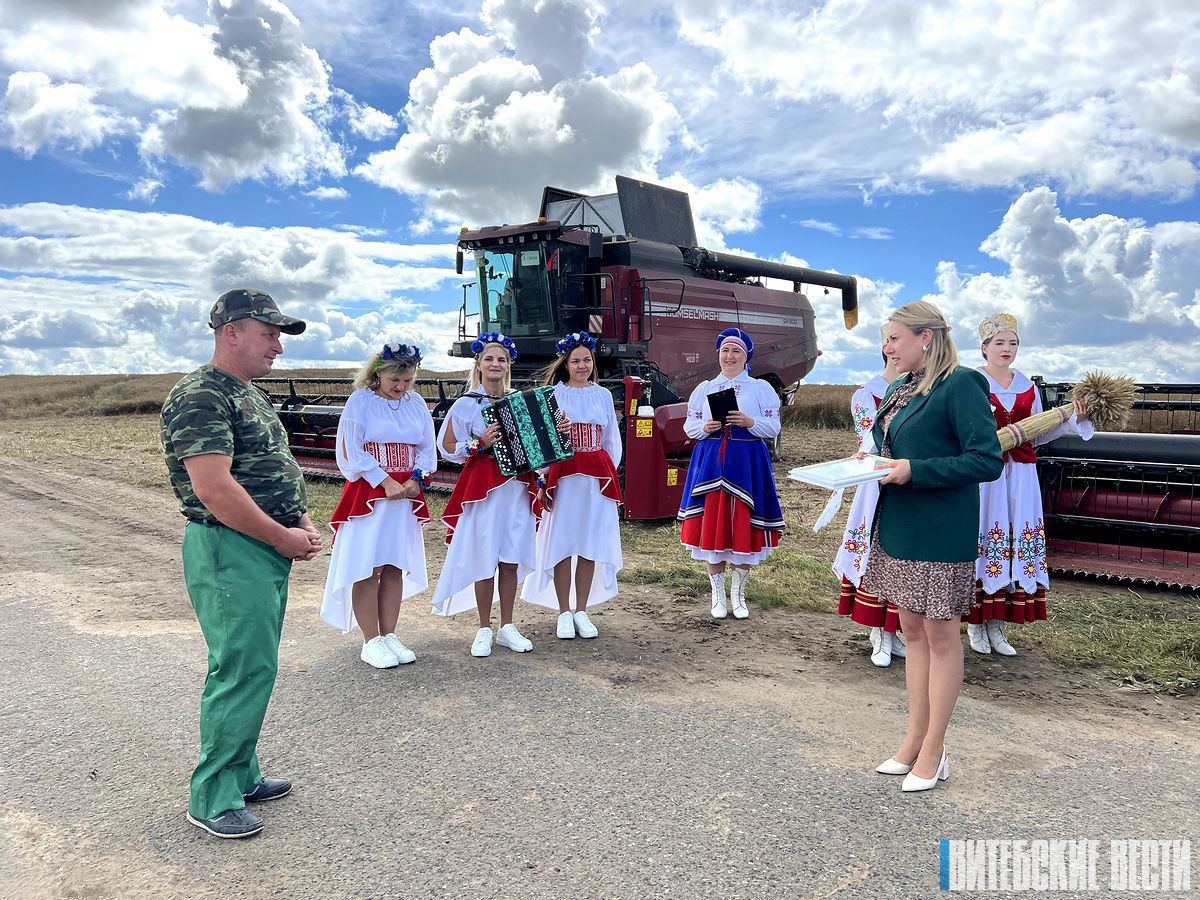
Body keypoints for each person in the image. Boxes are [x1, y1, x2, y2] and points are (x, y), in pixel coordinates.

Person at [160, 288, 322, 839]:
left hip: (259, 546)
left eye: (280, 335)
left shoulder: (246, 393)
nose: (278, 345)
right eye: (270, 332)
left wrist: (298, 518)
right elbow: (214, 489)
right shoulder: (201, 395)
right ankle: (212, 795)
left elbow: (267, 466)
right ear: (231, 330)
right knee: (240, 668)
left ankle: (242, 772)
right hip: (230, 547)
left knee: (256, 664)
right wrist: (279, 536)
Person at [861, 301, 1003, 793]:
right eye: (886, 340)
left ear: (926, 338)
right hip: (901, 526)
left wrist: (913, 470)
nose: (887, 348)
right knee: (912, 634)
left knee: (941, 639)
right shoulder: (903, 387)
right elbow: (895, 445)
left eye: (894, 338)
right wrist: (873, 460)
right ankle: (913, 739)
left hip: (941, 531)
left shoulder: (961, 383)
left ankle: (935, 749)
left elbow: (985, 461)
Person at [967, 313, 1092, 656]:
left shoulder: (1026, 386)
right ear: (984, 348)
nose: (1006, 349)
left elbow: (1039, 433)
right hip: (985, 475)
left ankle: (998, 627)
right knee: (988, 536)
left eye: (1013, 343)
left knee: (1013, 538)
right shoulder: (971, 382)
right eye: (999, 343)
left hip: (1021, 475)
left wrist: (1071, 418)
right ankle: (977, 624)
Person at [319, 342, 436, 668]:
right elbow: (352, 451)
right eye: (394, 380)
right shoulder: (361, 402)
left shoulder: (417, 405)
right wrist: (385, 481)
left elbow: (427, 448)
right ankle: (370, 640)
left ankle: (389, 634)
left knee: (394, 565)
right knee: (368, 568)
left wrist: (417, 479)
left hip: (405, 496)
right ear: (378, 374)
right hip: (371, 495)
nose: (401, 387)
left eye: (408, 380)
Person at [431, 332, 542, 656]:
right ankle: (483, 627)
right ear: (479, 364)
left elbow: (535, 446)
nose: (495, 364)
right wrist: (480, 444)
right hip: (483, 490)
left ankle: (507, 625)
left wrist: (552, 433)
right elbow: (447, 447)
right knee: (484, 556)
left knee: (509, 558)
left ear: (508, 366)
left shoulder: (519, 400)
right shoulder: (466, 404)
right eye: (490, 359)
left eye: (502, 359)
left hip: (516, 489)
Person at [678, 327, 784, 619]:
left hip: (747, 459)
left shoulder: (760, 388)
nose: (729, 356)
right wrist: (706, 427)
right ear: (718, 355)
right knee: (714, 525)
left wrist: (749, 420)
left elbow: (773, 428)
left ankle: (738, 596)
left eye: (736, 351)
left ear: (746, 355)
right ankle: (717, 596)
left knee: (743, 526)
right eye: (725, 350)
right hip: (711, 459)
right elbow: (690, 426)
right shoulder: (705, 388)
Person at [522, 331, 623, 639]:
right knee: (563, 543)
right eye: (576, 360)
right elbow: (539, 442)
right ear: (566, 363)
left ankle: (582, 609)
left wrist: (609, 471)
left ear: (594, 362)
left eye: (587, 360)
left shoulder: (603, 395)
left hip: (594, 476)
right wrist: (542, 476)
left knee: (589, 543)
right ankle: (563, 611)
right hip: (563, 476)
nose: (582, 366)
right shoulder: (554, 393)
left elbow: (611, 440)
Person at [832, 333, 908, 666]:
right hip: (877, 484)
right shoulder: (868, 394)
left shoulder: (923, 391)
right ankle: (878, 633)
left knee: (903, 560)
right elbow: (868, 439)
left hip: (910, 483)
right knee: (876, 554)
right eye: (891, 343)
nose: (896, 350)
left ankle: (896, 630)